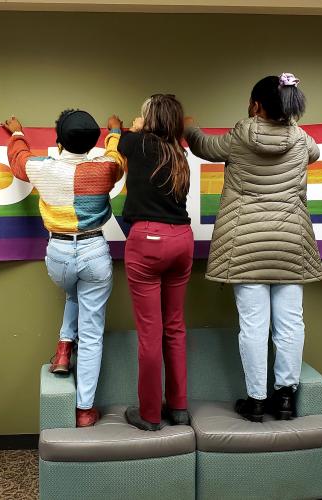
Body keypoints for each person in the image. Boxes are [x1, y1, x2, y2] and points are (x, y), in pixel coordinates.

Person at [184, 74, 322, 423]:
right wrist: (291, 123)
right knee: (291, 323)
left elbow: (204, 147)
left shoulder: (239, 136)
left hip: (244, 242)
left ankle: (257, 400)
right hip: (291, 243)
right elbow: (316, 153)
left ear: (256, 105)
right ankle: (286, 398)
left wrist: (189, 127)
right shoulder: (302, 139)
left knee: (254, 326)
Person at [2, 110, 125, 428]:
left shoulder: (42, 168)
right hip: (93, 251)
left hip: (57, 254)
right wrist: (114, 131)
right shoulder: (107, 167)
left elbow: (19, 159)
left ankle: (62, 350)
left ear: (57, 141)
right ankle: (84, 411)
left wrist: (17, 133)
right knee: (93, 333)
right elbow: (115, 154)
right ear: (92, 143)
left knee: (73, 292)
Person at [117, 94, 193, 431]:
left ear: (150, 120)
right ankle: (178, 407)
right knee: (174, 327)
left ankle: (149, 414)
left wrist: (130, 127)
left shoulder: (138, 143)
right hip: (182, 241)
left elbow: (120, 136)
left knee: (151, 333)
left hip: (148, 241)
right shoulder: (179, 152)